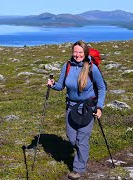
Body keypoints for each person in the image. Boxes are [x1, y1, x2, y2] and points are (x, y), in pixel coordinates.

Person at [47, 40, 106, 179]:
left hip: (88, 107)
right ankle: (82, 155)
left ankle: (79, 169)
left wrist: (99, 107)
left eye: (80, 52)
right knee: (72, 139)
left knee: (82, 140)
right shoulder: (67, 66)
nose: (77, 55)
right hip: (71, 107)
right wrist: (53, 84)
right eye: (75, 52)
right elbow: (61, 85)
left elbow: (102, 87)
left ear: (85, 53)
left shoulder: (92, 68)